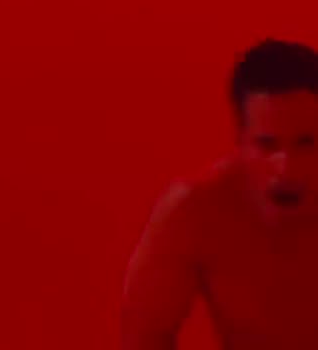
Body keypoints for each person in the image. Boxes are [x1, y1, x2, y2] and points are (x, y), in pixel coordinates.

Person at [122, 38, 318, 349]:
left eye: (306, 143)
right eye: (267, 144)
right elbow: (144, 335)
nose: (286, 168)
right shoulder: (196, 211)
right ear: (241, 140)